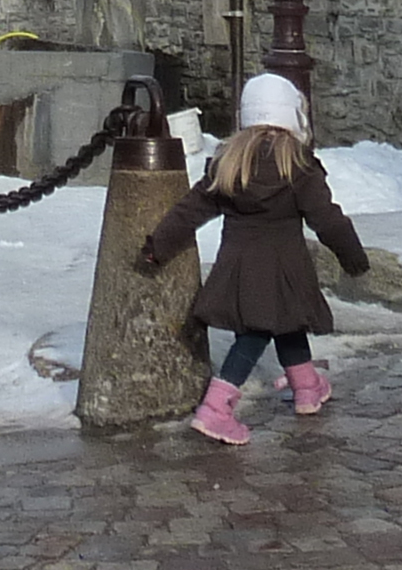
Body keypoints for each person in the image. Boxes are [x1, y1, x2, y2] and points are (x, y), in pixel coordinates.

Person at [136, 71, 371, 444]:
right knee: (254, 335)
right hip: (286, 268)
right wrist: (353, 258)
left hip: (240, 267)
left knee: (287, 321)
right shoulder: (298, 166)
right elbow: (328, 219)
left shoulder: (230, 163)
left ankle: (307, 387)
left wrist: (158, 246)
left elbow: (190, 210)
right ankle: (215, 409)